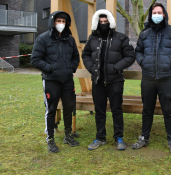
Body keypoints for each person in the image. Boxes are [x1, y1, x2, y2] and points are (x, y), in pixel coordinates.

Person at [132, 3, 171, 155]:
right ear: (150, 15)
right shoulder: (144, 34)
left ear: (164, 15)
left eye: (159, 12)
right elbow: (138, 51)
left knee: (167, 111)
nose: (156, 15)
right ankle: (144, 137)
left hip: (167, 78)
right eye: (154, 12)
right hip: (148, 78)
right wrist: (143, 62)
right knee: (147, 110)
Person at [82, 9, 135, 151]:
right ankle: (100, 137)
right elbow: (85, 55)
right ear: (97, 23)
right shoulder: (92, 38)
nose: (103, 24)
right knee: (99, 111)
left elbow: (130, 56)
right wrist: (92, 68)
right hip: (98, 81)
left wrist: (117, 68)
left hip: (115, 81)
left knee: (116, 109)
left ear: (111, 21)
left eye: (106, 21)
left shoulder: (121, 38)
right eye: (101, 22)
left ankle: (119, 137)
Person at [31, 11, 80, 153]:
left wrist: (71, 67)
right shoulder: (43, 39)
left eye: (64, 22)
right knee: (51, 109)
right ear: (53, 22)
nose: (61, 24)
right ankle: (50, 138)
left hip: (67, 80)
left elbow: (76, 57)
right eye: (59, 21)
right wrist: (50, 68)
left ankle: (68, 135)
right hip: (51, 80)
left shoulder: (70, 39)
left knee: (69, 108)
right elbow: (35, 59)